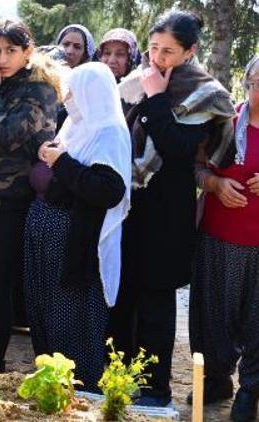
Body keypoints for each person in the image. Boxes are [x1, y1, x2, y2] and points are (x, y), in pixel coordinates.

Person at [110, 10, 235, 407]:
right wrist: (147, 94)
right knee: (122, 296)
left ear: (190, 51)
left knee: (156, 303)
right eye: (153, 48)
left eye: (168, 51)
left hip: (168, 210)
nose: (158, 57)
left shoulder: (205, 92)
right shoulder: (136, 82)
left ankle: (153, 390)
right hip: (129, 204)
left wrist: (156, 100)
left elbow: (180, 149)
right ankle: (117, 383)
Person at [25, 62, 131, 390]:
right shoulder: (77, 123)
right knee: (44, 307)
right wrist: (49, 154)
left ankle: (77, 384)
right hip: (46, 231)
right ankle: (51, 378)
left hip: (75, 241)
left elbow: (108, 189)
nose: (67, 98)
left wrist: (62, 162)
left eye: (73, 91)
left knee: (70, 314)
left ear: (91, 93)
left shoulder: (109, 130)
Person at [0, 19, 61, 373]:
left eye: (11, 51)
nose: (2, 59)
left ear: (28, 51)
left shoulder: (39, 91)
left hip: (15, 202)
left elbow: (1, 137)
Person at [189, 55, 259, 422]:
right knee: (214, 314)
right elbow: (197, 167)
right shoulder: (225, 123)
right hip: (219, 238)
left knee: (257, 320)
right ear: (247, 82)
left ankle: (251, 389)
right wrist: (214, 183)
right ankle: (217, 380)